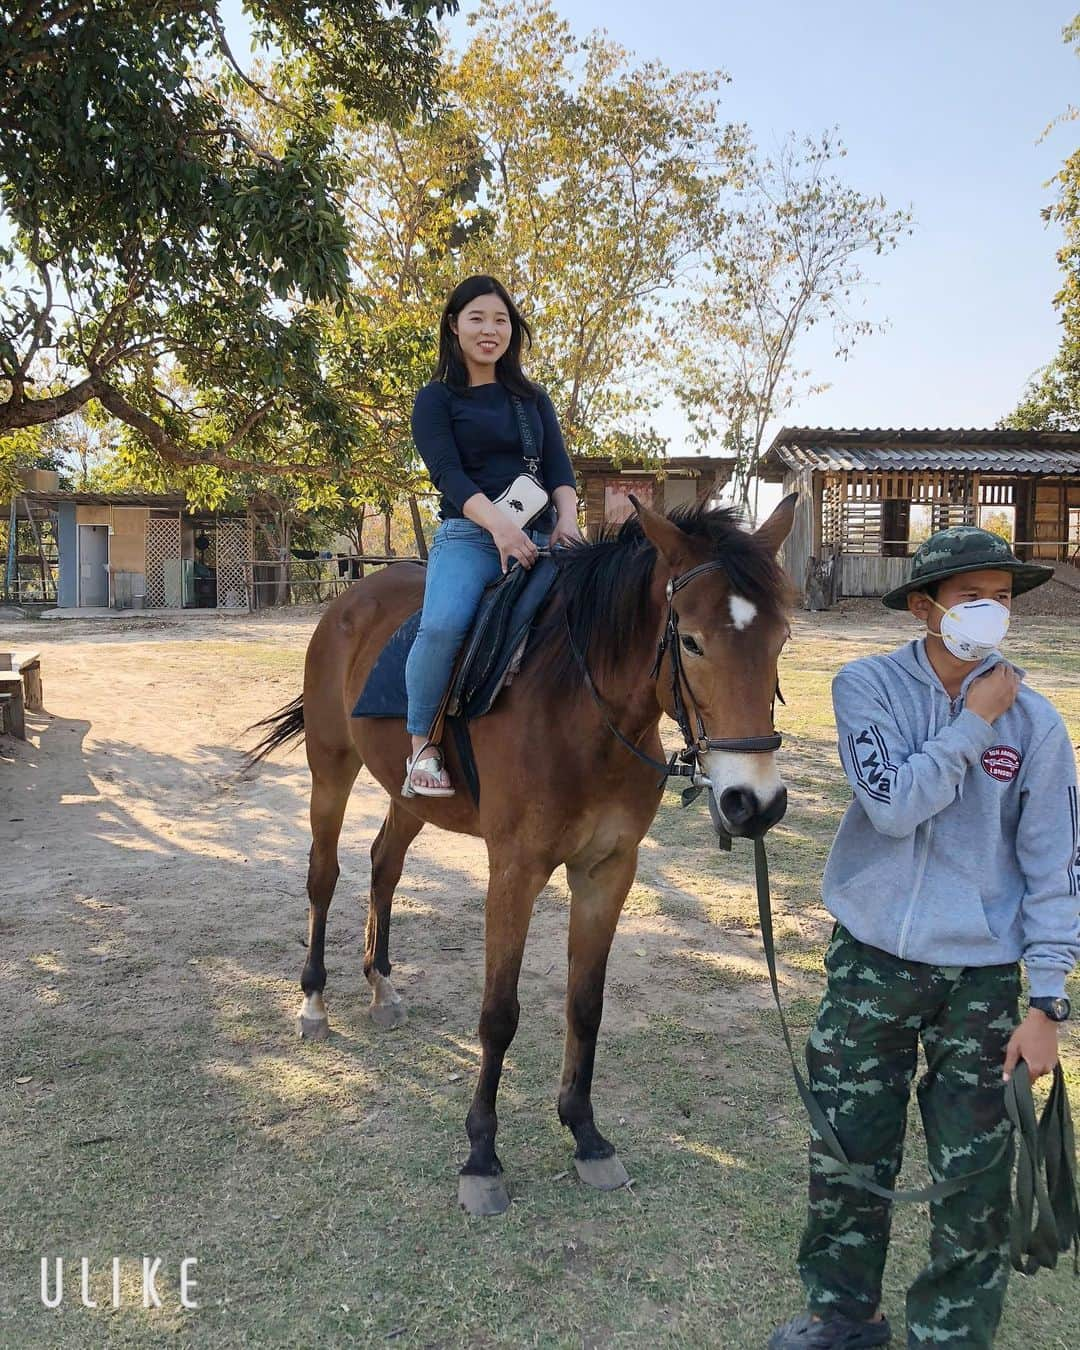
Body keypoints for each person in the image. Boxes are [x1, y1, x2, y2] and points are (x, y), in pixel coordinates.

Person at [770, 525, 1080, 1350]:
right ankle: (842, 1319)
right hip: (870, 965)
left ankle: (948, 1333)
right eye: (972, 598)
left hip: (982, 985)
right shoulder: (866, 688)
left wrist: (1047, 1003)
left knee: (973, 1179)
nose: (991, 614)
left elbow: (1055, 870)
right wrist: (975, 722)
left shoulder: (1040, 727)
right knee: (847, 1153)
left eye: (1004, 599)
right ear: (924, 607)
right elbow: (895, 806)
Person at [403, 275, 582, 796]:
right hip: (471, 535)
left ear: (513, 331)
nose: (490, 330)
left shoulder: (532, 399)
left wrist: (568, 521)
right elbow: (448, 475)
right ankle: (422, 746)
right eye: (477, 318)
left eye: (501, 320)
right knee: (441, 627)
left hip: (544, 533)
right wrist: (500, 527)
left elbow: (559, 472)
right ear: (454, 326)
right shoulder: (435, 399)